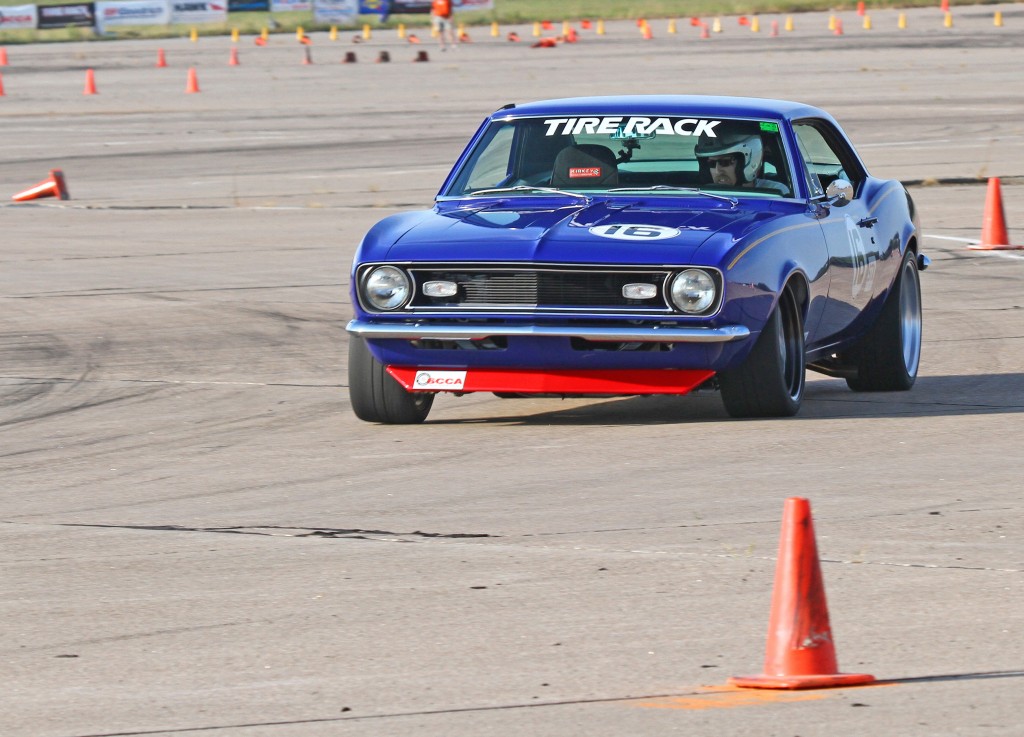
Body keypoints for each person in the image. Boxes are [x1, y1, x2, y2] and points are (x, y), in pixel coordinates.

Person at [695, 131, 789, 194]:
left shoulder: (776, 193)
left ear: (749, 161)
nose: (717, 171)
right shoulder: (697, 195)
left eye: (725, 162)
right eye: (711, 164)